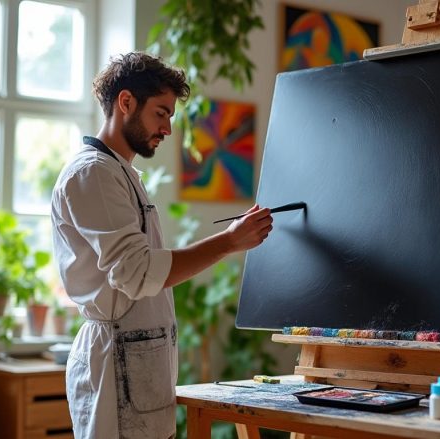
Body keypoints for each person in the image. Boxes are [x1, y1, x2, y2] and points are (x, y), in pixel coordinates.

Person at [51, 52, 273, 439]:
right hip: (114, 370)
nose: (168, 128)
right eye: (161, 113)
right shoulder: (93, 174)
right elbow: (138, 274)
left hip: (137, 367)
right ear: (125, 102)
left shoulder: (120, 172)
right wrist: (229, 242)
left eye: (169, 115)